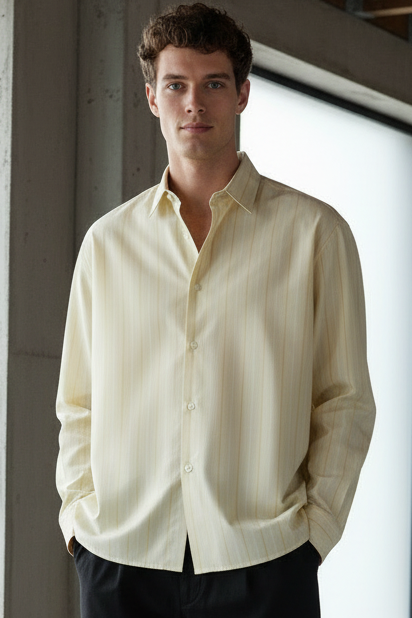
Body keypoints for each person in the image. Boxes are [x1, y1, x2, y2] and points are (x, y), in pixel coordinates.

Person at [56, 3, 376, 617]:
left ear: (243, 95)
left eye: (214, 84)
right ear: (152, 98)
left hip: (265, 560)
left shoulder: (315, 234)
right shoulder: (107, 243)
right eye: (176, 85)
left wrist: (315, 534)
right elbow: (79, 401)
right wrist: (78, 521)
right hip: (121, 559)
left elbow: (345, 399)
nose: (194, 104)